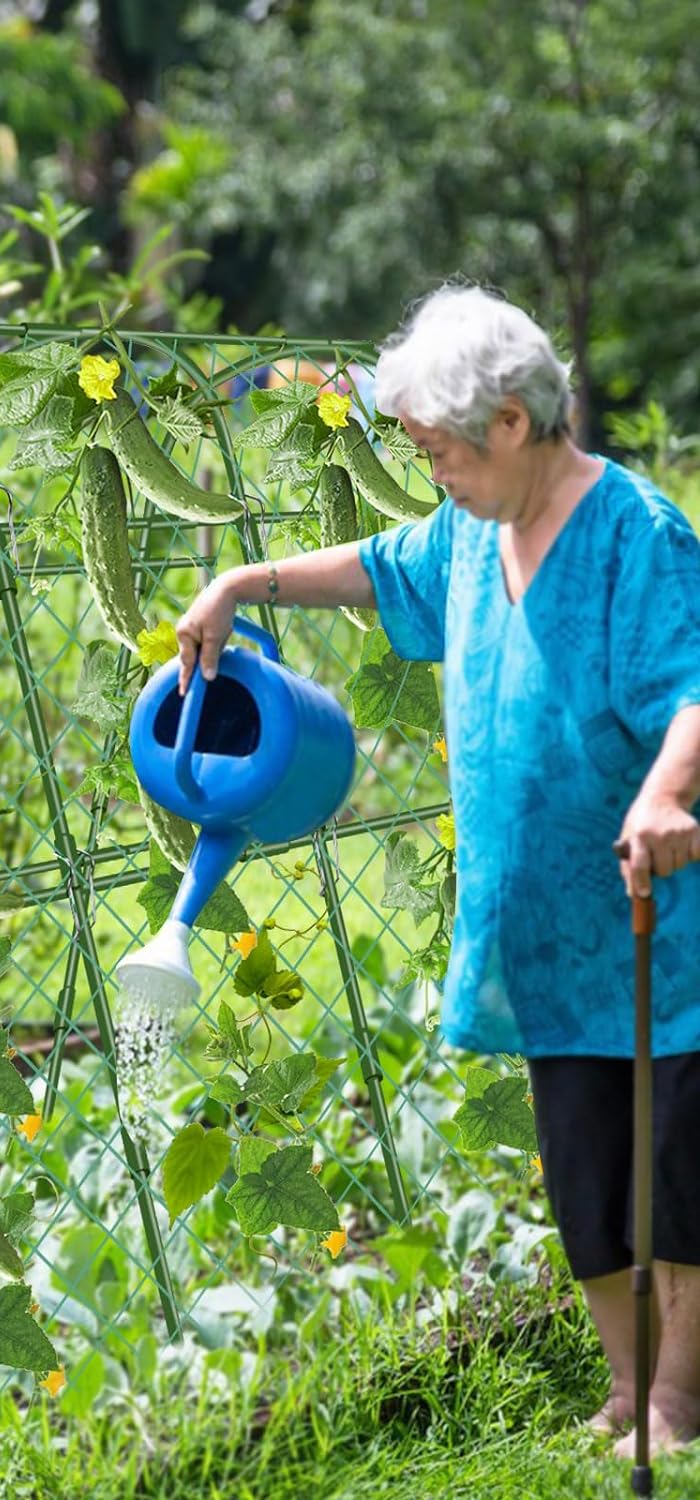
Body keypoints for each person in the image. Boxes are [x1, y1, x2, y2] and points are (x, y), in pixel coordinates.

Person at [174, 284, 700, 1458]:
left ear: (513, 422)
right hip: (542, 941)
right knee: (585, 1188)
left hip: (653, 922)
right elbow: (372, 563)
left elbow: (696, 687)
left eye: (443, 451)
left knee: (675, 1183)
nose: (434, 474)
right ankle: (625, 1389)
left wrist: (667, 791)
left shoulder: (637, 533)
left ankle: (678, 1399)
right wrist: (237, 586)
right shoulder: (470, 530)